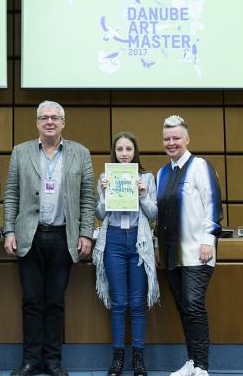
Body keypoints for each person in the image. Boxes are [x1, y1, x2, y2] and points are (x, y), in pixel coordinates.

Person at [3, 100, 96, 376]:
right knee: (31, 301)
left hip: (63, 237)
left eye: (55, 117)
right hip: (29, 237)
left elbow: (88, 198)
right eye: (44, 117)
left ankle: (53, 361)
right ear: (37, 123)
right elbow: (11, 195)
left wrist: (86, 234)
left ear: (63, 123)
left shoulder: (80, 153)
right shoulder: (20, 152)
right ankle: (31, 360)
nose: (50, 122)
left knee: (55, 301)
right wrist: (9, 230)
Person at [156, 115, 222, 376]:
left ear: (187, 139)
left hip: (198, 252)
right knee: (184, 307)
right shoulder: (162, 173)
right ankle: (191, 363)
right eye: (167, 139)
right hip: (172, 256)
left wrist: (208, 241)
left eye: (176, 138)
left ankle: (202, 366)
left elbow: (212, 205)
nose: (171, 143)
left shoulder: (200, 166)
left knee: (194, 304)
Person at [93, 132, 159, 376]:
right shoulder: (105, 177)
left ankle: (138, 359)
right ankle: (118, 357)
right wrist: (103, 192)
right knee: (119, 303)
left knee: (138, 304)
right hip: (114, 242)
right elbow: (99, 214)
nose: (124, 153)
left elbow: (153, 214)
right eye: (119, 149)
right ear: (114, 153)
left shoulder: (147, 178)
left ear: (135, 152)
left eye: (128, 149)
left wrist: (142, 194)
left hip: (139, 242)